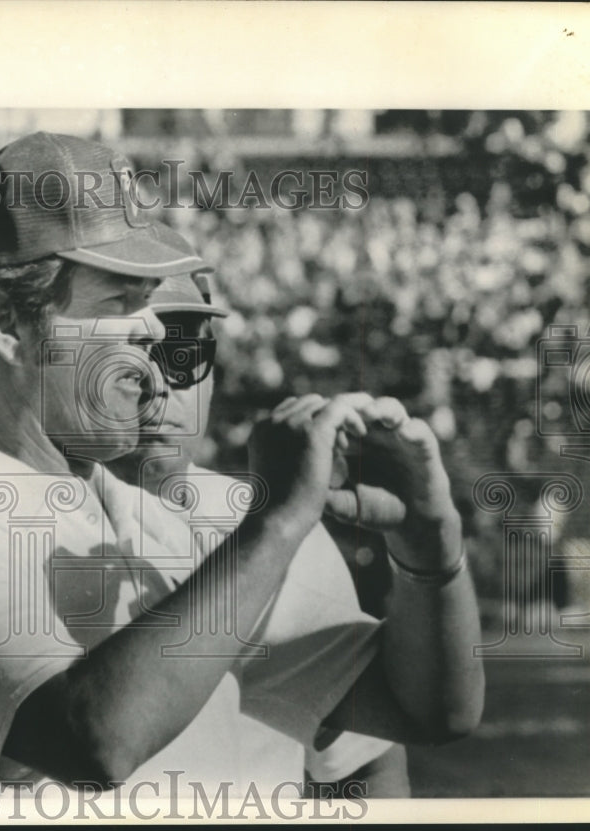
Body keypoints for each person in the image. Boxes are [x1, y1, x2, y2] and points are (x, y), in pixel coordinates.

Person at [0, 131, 484, 801]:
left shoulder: (178, 523)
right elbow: (97, 740)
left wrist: (428, 547)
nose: (153, 334)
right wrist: (275, 523)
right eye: (120, 302)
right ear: (9, 325)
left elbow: (421, 713)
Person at [105, 271, 410, 797]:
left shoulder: (273, 519)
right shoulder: (7, 523)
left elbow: (367, 763)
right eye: (127, 352)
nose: (157, 386)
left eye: (183, 352)